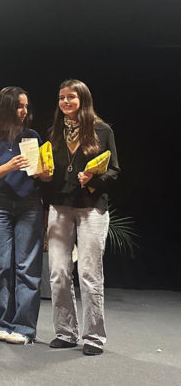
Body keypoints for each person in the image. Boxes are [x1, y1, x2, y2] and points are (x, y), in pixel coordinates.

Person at [43, 79, 120, 356]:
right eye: (61, 97)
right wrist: (44, 178)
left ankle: (94, 337)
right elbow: (48, 174)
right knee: (58, 272)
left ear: (83, 99)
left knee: (89, 273)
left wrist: (92, 179)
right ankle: (65, 332)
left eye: (71, 97)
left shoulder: (102, 130)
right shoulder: (53, 133)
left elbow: (114, 172)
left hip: (91, 207)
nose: (65, 102)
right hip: (60, 207)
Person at [0, 86, 48, 344]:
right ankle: (3, 323)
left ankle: (24, 329)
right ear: (6, 107)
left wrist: (43, 173)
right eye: (19, 106)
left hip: (29, 205)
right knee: (2, 267)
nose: (24, 111)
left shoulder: (31, 136)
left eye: (26, 106)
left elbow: (40, 172)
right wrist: (8, 166)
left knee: (27, 268)